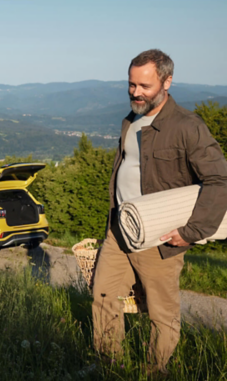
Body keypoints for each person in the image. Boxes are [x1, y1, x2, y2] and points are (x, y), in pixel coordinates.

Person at [92, 49, 227, 373]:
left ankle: (156, 372)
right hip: (119, 230)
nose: (135, 92)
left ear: (167, 82)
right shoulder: (132, 119)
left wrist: (193, 232)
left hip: (161, 236)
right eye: (131, 84)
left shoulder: (187, 127)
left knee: (160, 312)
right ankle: (110, 367)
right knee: (103, 298)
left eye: (144, 86)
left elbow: (219, 179)